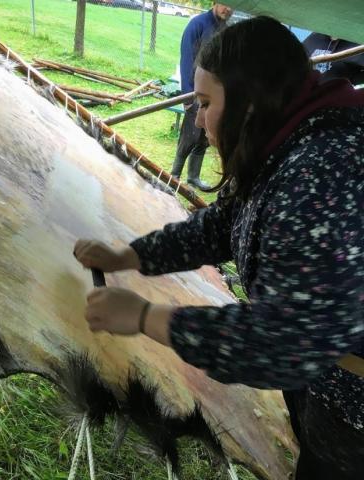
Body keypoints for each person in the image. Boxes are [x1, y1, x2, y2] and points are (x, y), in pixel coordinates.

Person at [74, 17, 364, 480]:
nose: (197, 119)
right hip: (329, 382)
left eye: (205, 103)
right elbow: (223, 225)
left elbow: (283, 343)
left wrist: (145, 317)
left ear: (248, 105)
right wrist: (129, 256)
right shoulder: (291, 140)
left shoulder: (320, 172)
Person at [170, 1, 233, 191]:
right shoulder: (197, 24)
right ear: (214, 3)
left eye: (232, 5)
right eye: (224, 4)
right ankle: (174, 176)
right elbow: (186, 61)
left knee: (204, 138)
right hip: (195, 92)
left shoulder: (226, 30)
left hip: (214, 96)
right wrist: (188, 98)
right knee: (189, 136)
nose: (227, 9)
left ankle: (193, 177)